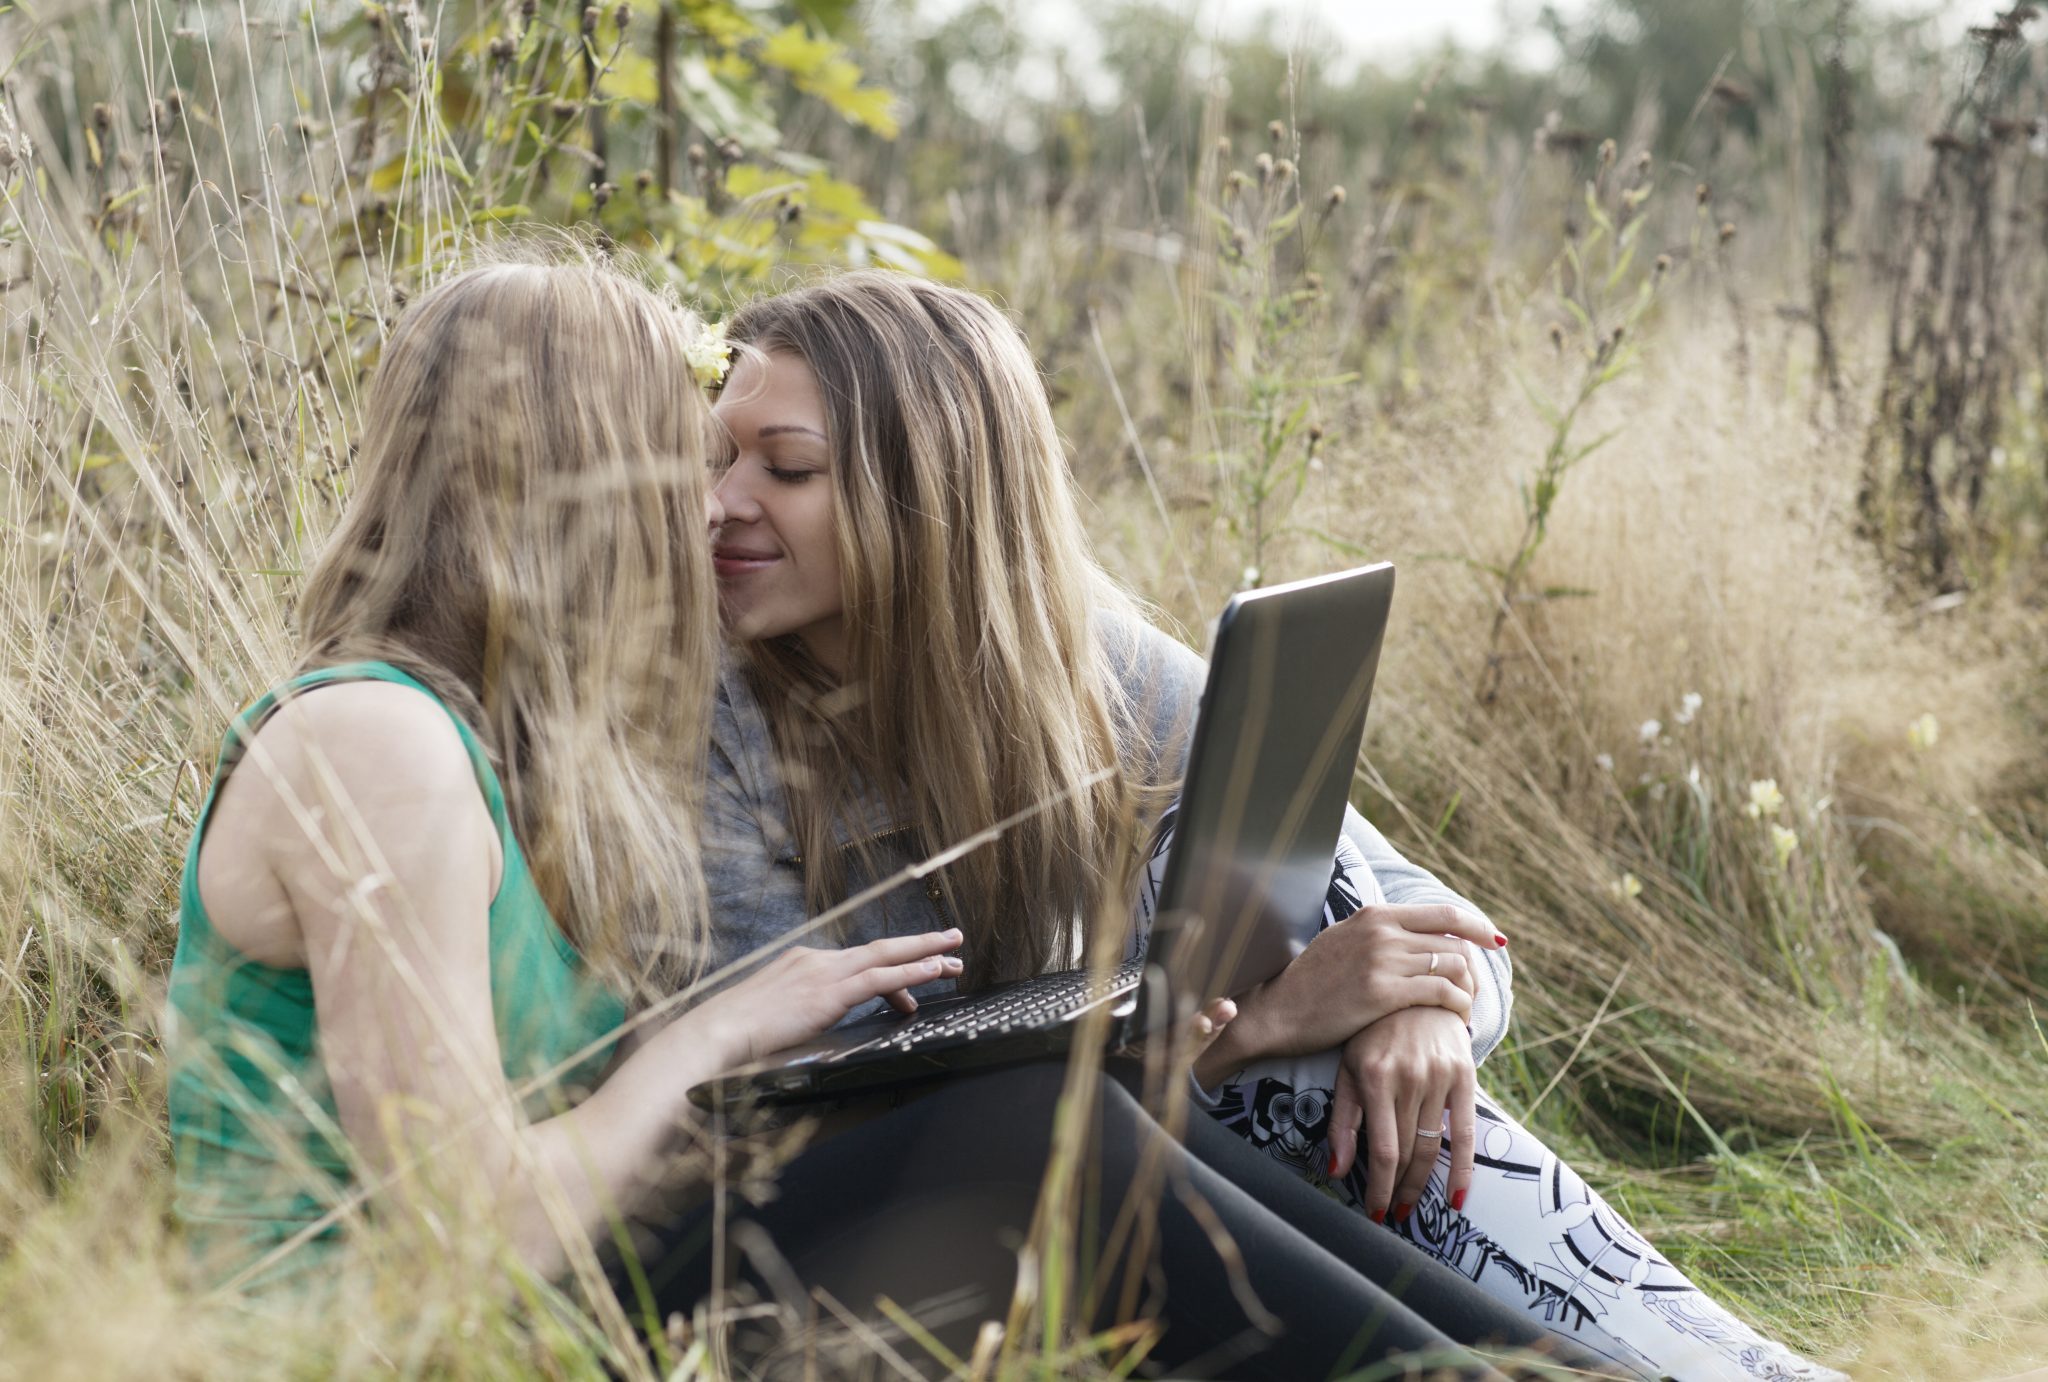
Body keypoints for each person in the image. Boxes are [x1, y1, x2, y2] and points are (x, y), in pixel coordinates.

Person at [163, 256, 1596, 1380]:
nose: (708, 504)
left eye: (757, 467)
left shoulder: (471, 740)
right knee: (1020, 1128)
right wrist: (711, 1033)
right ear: (564, 476)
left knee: (1035, 1115)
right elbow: (475, 1236)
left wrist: (1319, 1011)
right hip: (407, 1345)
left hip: (569, 1290)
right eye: (683, 456)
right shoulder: (376, 747)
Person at [701, 268, 1846, 1382]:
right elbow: (825, 1100)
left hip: (1132, 1146)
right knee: (1282, 1047)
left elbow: (1426, 912)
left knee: (1329, 1022)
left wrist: (1425, 1015)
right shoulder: (718, 726)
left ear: (935, 493)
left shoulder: (1089, 668)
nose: (718, 502)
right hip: (884, 1229)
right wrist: (1232, 1043)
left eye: (784, 468)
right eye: (717, 457)